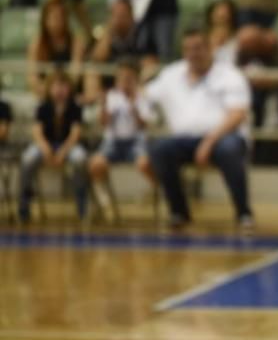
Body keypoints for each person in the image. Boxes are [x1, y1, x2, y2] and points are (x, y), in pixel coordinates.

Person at [144, 27, 254, 230]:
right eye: (188, 49)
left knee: (229, 150)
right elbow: (144, 96)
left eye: (198, 48)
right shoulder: (171, 74)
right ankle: (179, 212)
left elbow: (238, 114)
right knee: (160, 149)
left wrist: (209, 142)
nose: (193, 54)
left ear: (209, 49)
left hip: (224, 137)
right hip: (185, 140)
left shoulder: (229, 75)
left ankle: (243, 212)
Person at [87, 59, 156, 223]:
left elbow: (143, 125)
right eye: (121, 78)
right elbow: (103, 123)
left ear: (136, 80)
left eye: (129, 78)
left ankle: (152, 191)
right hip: (113, 142)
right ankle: (103, 200)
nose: (125, 82)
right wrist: (103, 106)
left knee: (145, 164)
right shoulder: (111, 96)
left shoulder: (142, 97)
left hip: (136, 141)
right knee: (95, 164)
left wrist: (133, 107)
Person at [18, 69, 89, 222]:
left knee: (80, 159)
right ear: (50, 88)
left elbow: (75, 134)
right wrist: (47, 150)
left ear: (69, 88)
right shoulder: (43, 107)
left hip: (67, 146)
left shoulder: (75, 108)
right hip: (46, 145)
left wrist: (62, 153)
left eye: (63, 86)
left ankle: (83, 208)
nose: (60, 90)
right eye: (56, 86)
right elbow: (37, 132)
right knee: (27, 159)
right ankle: (24, 208)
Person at [27, 0, 87, 98]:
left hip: (68, 92)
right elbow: (32, 76)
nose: (57, 21)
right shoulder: (37, 43)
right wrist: (46, 90)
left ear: (65, 20)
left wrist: (62, 89)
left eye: (60, 17)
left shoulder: (76, 42)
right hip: (45, 92)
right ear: (45, 20)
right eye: (53, 17)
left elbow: (75, 74)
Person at [206, 0, 240, 65]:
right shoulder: (201, 40)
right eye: (217, 10)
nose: (221, 14)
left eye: (225, 11)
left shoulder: (239, 41)